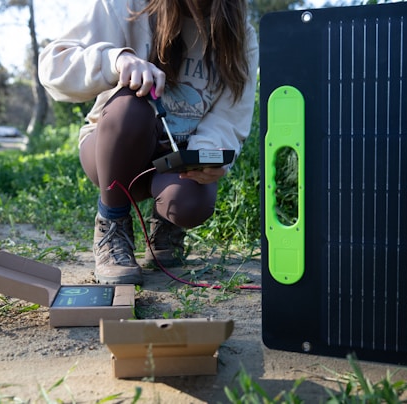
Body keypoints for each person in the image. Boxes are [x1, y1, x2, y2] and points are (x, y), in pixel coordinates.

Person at [38, 0, 258, 285]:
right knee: (133, 105)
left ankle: (165, 228)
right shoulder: (125, 5)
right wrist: (115, 60)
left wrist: (208, 155)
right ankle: (112, 225)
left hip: (174, 161)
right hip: (114, 149)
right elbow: (52, 66)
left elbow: (228, 118)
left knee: (190, 203)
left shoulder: (240, 32)